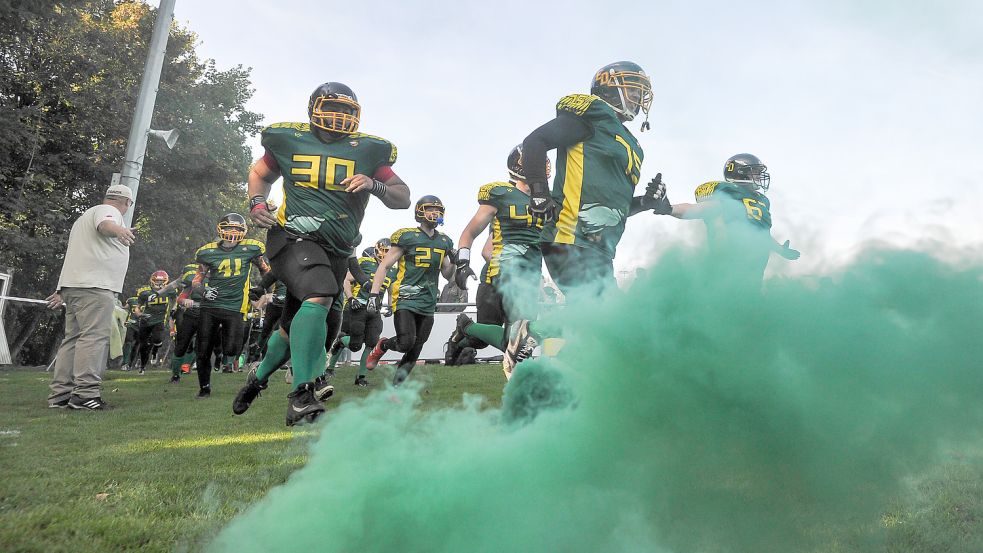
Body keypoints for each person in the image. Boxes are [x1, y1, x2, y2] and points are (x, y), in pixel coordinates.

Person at [237, 81, 410, 426]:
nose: (339, 116)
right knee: (319, 295)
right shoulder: (288, 139)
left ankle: (257, 379)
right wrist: (256, 201)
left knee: (293, 329)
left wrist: (374, 184)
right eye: (332, 107)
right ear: (313, 108)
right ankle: (302, 393)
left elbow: (402, 196)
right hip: (291, 237)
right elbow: (260, 173)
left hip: (337, 249)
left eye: (347, 111)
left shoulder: (369, 150)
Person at [504, 61, 667, 372]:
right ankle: (531, 331)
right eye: (631, 88)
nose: (637, 97)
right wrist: (539, 190)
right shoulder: (594, 117)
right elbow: (535, 142)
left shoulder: (630, 143)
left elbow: (612, 207)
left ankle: (561, 383)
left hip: (599, 248)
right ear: (609, 87)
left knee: (603, 331)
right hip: (570, 236)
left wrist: (646, 201)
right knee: (603, 316)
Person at [446, 145, 547, 379]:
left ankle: (465, 328)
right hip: (504, 274)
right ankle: (522, 395)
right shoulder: (501, 194)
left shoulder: (546, 202)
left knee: (513, 341)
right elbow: (471, 232)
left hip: (530, 276)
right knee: (516, 342)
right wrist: (462, 261)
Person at [46, 184, 135, 410]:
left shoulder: (82, 219)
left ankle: (60, 394)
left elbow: (76, 254)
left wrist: (61, 289)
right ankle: (85, 394)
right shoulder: (110, 212)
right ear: (127, 203)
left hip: (75, 286)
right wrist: (119, 230)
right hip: (95, 287)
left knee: (73, 339)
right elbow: (105, 225)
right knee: (93, 338)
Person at [660, 153, 799, 286]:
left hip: (755, 272)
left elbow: (761, 235)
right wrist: (670, 209)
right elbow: (700, 209)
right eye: (754, 171)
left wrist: (780, 249)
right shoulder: (730, 195)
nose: (758, 175)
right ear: (740, 172)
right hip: (728, 269)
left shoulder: (761, 200)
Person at [364, 196, 455, 386]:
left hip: (428, 300)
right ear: (420, 211)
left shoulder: (444, 241)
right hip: (405, 297)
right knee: (406, 342)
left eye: (437, 210)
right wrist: (374, 295)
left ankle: (396, 387)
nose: (434, 213)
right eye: (430, 209)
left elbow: (447, 273)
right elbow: (384, 266)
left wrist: (456, 263)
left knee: (416, 347)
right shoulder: (406, 236)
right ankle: (383, 345)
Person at [188, 213, 270, 397]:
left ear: (244, 231)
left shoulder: (252, 248)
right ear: (220, 229)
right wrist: (204, 291)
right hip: (210, 306)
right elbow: (196, 281)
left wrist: (268, 290)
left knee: (232, 349)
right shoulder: (207, 251)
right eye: (228, 228)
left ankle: (221, 347)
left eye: (238, 229)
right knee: (202, 350)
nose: (233, 232)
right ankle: (204, 388)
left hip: (234, 307)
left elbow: (265, 271)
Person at [328, 239, 397, 386]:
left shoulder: (391, 270)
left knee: (372, 343)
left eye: (388, 252)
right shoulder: (366, 262)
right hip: (358, 307)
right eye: (383, 250)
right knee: (355, 345)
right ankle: (339, 345)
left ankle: (361, 377)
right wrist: (351, 298)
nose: (385, 255)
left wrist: (391, 306)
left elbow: (390, 291)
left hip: (375, 310)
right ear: (377, 250)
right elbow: (346, 279)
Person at [134, 270, 177, 375]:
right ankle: (142, 366)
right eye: (157, 280)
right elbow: (137, 307)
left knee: (157, 339)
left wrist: (174, 308)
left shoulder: (170, 290)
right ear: (152, 280)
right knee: (143, 345)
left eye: (161, 281)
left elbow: (175, 299)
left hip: (159, 320)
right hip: (146, 320)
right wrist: (139, 314)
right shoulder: (144, 291)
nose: (159, 283)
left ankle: (155, 351)